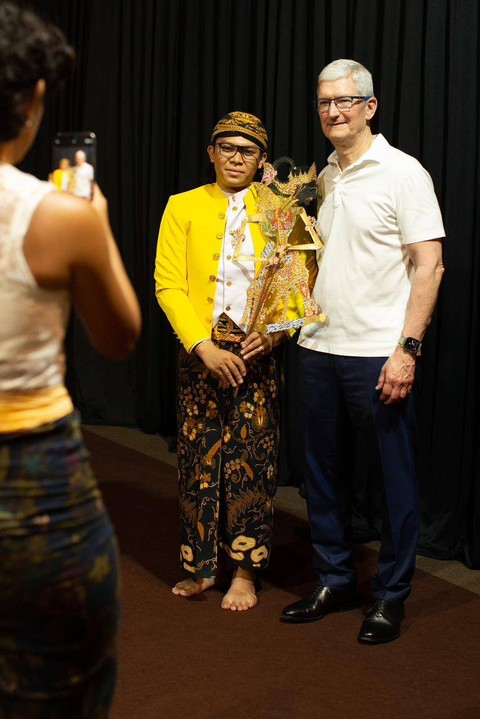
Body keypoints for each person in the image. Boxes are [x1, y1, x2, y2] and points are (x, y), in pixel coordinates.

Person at [0, 2, 141, 716]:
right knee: (60, 692)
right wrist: (98, 224)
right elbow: (119, 337)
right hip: (35, 484)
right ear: (33, 100)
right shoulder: (59, 214)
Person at [280, 59, 445, 644]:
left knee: (393, 481)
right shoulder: (322, 176)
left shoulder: (403, 173)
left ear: (370, 106)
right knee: (322, 476)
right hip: (319, 345)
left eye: (345, 101)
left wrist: (407, 350)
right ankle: (334, 578)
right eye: (325, 102)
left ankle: (391, 596)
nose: (333, 111)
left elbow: (430, 265)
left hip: (378, 351)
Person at [154, 111, 311, 611]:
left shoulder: (282, 209)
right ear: (211, 152)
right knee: (198, 461)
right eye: (227, 147)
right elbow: (168, 283)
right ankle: (200, 566)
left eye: (247, 150)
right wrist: (201, 346)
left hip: (255, 350)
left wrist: (273, 336)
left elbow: (301, 286)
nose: (236, 157)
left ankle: (245, 571)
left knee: (253, 463)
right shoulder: (182, 206)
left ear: (262, 159)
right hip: (200, 348)